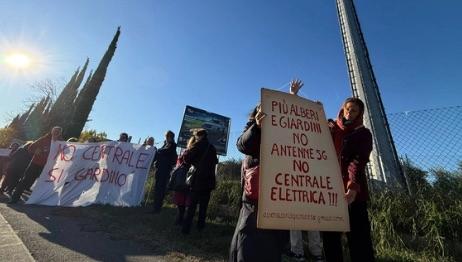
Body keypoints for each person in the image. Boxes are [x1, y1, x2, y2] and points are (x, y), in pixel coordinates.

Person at [229, 79, 303, 262]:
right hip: (254, 197)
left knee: (273, 244)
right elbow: (242, 145)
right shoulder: (253, 127)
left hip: (279, 193)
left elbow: (292, 118)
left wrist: (294, 98)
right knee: (249, 242)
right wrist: (257, 127)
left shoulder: (285, 131)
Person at [322, 97, 374, 262]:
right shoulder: (332, 129)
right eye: (347, 109)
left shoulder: (363, 134)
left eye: (354, 111)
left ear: (360, 114)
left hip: (353, 192)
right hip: (330, 190)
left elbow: (357, 161)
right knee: (330, 237)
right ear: (342, 109)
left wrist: (352, 185)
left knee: (359, 239)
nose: (349, 113)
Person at [9, 126, 63, 203]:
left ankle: (38, 200)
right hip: (35, 164)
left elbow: (67, 152)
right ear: (51, 131)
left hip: (48, 167)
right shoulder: (44, 139)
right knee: (25, 181)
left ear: (60, 133)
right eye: (55, 130)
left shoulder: (61, 143)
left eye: (58, 131)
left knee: (43, 184)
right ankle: (14, 199)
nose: (56, 132)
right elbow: (30, 147)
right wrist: (35, 151)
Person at [181, 128, 218, 234]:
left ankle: (186, 229)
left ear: (199, 136)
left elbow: (187, 159)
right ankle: (200, 229)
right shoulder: (212, 147)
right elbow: (215, 161)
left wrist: (187, 152)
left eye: (196, 136)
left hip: (197, 180)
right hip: (209, 181)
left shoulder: (196, 145)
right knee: (203, 207)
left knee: (192, 206)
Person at [151, 130, 178, 213]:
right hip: (160, 169)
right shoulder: (166, 144)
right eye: (166, 136)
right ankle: (156, 206)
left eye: (167, 136)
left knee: (160, 189)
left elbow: (163, 151)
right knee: (158, 188)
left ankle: (157, 208)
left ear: (170, 137)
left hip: (165, 170)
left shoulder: (172, 145)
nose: (166, 138)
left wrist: (158, 151)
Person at [171, 136, 195, 226]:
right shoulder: (194, 151)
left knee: (182, 198)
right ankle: (182, 218)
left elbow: (183, 161)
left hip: (184, 177)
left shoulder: (188, 152)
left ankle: (180, 219)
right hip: (190, 178)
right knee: (185, 199)